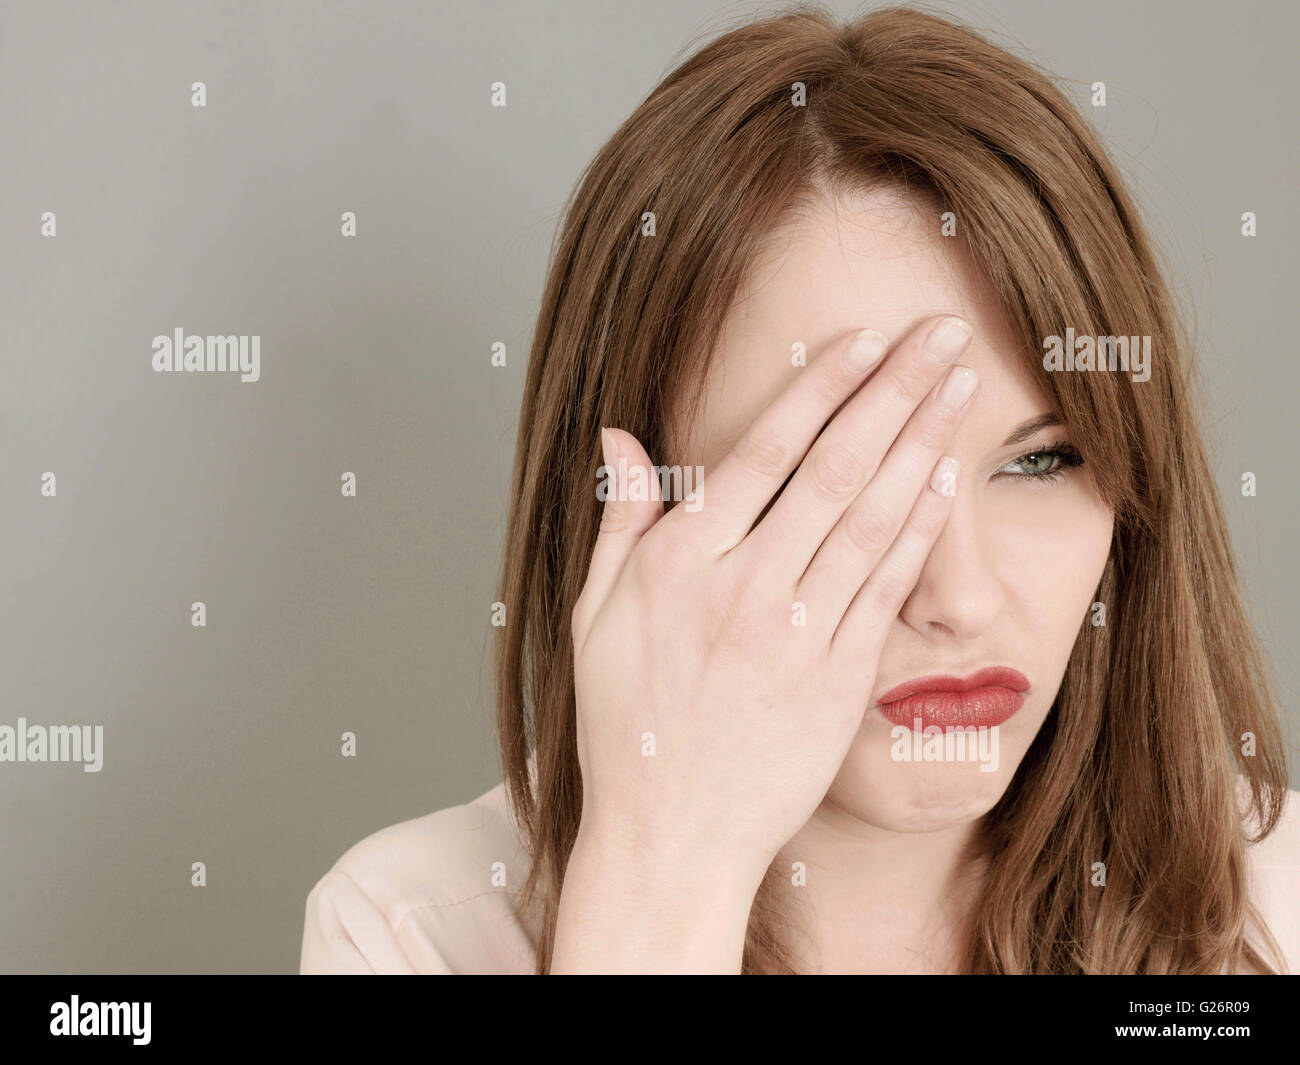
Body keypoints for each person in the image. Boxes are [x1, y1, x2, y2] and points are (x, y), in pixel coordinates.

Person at [300, 5, 1299, 975]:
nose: (958, 599)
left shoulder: (1278, 892)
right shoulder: (410, 932)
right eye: (834, 474)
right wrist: (662, 877)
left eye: (1040, 461)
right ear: (627, 505)